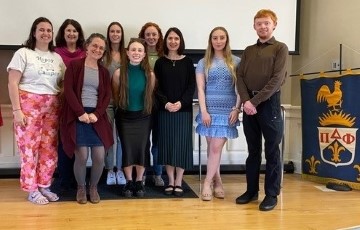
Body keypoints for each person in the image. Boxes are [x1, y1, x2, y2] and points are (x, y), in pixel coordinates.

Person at [7, 17, 65, 205]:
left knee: (49, 149)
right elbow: (13, 82)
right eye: (42, 30)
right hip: (28, 105)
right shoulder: (23, 53)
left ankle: (44, 185)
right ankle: (32, 190)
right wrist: (16, 110)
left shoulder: (56, 57)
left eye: (49, 30)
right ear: (34, 32)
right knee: (29, 149)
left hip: (52, 105)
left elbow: (63, 82)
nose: (46, 33)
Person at [235, 9, 288, 211]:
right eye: (259, 23)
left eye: (266, 23)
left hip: (269, 104)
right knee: (253, 151)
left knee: (272, 151)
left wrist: (253, 102)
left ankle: (272, 194)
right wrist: (246, 101)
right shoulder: (248, 50)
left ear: (274, 25)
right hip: (250, 106)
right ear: (254, 26)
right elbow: (239, 77)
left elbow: (276, 80)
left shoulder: (280, 48)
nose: (263, 27)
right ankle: (251, 191)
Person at [60, 33, 113, 204]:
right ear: (87, 47)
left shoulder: (104, 72)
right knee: (81, 156)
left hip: (97, 117)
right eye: (94, 46)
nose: (97, 49)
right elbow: (68, 91)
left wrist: (96, 114)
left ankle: (93, 187)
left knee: (99, 156)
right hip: (78, 115)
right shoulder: (74, 66)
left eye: (101, 48)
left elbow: (106, 97)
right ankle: (81, 187)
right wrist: (80, 113)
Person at [195, 27, 241, 201]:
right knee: (212, 150)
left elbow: (240, 89)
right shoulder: (203, 62)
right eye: (215, 38)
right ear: (211, 40)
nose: (218, 41)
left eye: (222, 37)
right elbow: (200, 89)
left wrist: (237, 108)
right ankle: (218, 181)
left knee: (215, 148)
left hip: (227, 112)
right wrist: (204, 111)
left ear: (226, 39)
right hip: (209, 112)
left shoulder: (236, 61)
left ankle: (207, 183)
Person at [154, 27, 195, 196]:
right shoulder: (160, 62)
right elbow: (156, 87)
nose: (173, 41)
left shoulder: (187, 62)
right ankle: (170, 180)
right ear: (166, 41)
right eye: (170, 38)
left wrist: (180, 103)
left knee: (181, 147)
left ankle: (179, 181)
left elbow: (191, 86)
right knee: (168, 146)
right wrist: (166, 104)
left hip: (183, 111)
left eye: (176, 38)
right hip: (165, 111)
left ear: (180, 41)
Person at [112, 38, 155, 197]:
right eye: (133, 50)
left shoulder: (150, 75)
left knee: (142, 148)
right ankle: (128, 182)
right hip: (124, 117)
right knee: (127, 148)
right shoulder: (118, 73)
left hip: (143, 117)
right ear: (128, 53)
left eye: (139, 50)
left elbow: (150, 96)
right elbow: (116, 95)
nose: (136, 53)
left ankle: (139, 182)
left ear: (144, 54)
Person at [54, 18, 86, 191]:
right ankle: (64, 179)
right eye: (68, 31)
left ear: (79, 34)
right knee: (63, 140)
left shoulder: (85, 53)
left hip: (80, 105)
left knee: (77, 140)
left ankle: (77, 179)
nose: (72, 34)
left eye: (75, 31)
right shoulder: (55, 53)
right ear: (63, 33)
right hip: (60, 103)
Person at [138, 22, 165, 186]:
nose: (151, 37)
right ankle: (141, 174)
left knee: (158, 141)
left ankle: (157, 173)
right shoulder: (137, 53)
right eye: (148, 34)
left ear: (159, 36)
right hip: (141, 103)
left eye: (154, 34)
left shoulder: (164, 55)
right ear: (143, 36)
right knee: (142, 141)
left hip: (160, 104)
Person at [103, 22, 127, 186]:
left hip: (124, 102)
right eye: (112, 31)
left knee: (122, 138)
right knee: (109, 138)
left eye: (118, 31)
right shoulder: (103, 54)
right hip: (107, 102)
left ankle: (120, 169)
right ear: (108, 34)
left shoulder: (127, 54)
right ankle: (109, 170)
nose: (115, 34)